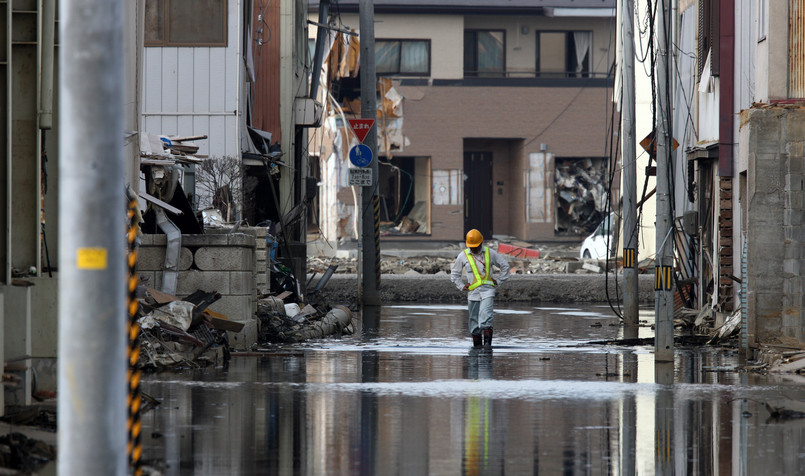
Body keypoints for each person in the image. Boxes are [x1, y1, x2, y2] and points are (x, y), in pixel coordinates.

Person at [450, 229, 510, 347]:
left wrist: (498, 281)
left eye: (475, 246)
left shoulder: (490, 253)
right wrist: (461, 286)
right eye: (471, 247)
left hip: (488, 290)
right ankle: (477, 348)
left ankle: (487, 349)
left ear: (481, 243)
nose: (473, 249)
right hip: (473, 293)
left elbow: (505, 266)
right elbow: (454, 274)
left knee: (486, 317)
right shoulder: (463, 256)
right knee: (474, 322)